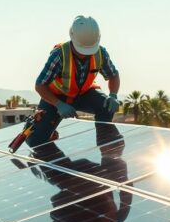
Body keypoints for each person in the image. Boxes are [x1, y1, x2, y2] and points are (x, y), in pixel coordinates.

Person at [28, 15, 122, 147]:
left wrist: (113, 95)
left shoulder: (100, 53)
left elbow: (113, 75)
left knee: (106, 106)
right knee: (36, 140)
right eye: (82, 49)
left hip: (85, 94)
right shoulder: (59, 55)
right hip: (57, 97)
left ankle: (107, 148)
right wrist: (58, 104)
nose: (86, 53)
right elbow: (40, 85)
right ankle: (46, 133)